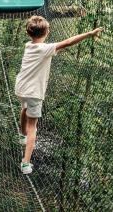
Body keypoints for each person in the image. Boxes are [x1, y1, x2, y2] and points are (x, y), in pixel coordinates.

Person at [15, 15, 103, 175]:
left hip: (21, 88)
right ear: (47, 32)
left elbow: (56, 49)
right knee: (33, 127)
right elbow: (68, 42)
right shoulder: (45, 49)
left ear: (29, 33)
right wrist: (90, 33)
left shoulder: (29, 46)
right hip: (34, 92)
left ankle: (22, 135)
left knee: (24, 107)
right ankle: (25, 162)